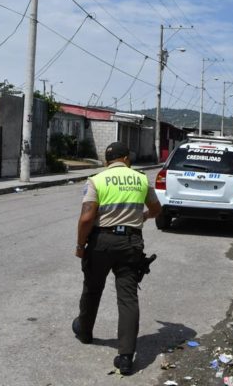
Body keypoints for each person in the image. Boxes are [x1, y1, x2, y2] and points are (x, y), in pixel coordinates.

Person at [72, 142, 162, 375]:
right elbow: (156, 209)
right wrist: (142, 216)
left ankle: (84, 332)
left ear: (107, 161)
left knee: (92, 288)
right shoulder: (140, 179)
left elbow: (86, 218)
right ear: (126, 158)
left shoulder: (97, 180)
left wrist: (81, 245)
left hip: (102, 242)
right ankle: (125, 357)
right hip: (130, 243)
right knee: (128, 297)